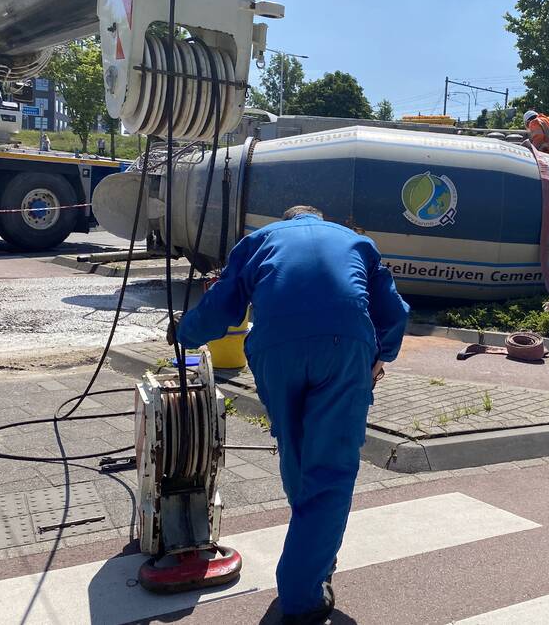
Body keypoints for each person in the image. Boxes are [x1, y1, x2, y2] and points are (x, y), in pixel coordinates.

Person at [171, 205, 409, 624]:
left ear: (286, 221)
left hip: (275, 352)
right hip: (343, 348)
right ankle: (303, 595)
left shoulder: (258, 242)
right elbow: (395, 313)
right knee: (330, 472)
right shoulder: (356, 242)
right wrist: (380, 356)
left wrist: (183, 332)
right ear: (321, 218)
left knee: (296, 451)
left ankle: (313, 553)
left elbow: (222, 306)